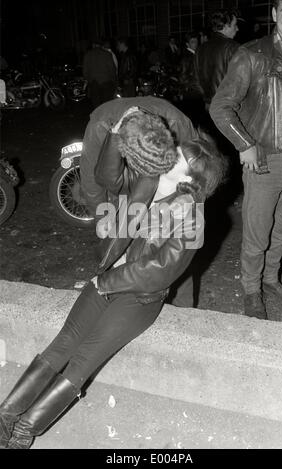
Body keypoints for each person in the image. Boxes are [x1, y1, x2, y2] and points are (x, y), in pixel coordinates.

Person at [0, 112, 225, 450]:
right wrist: (117, 135)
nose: (166, 160)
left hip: (139, 298)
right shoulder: (149, 183)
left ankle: (25, 432)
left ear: (190, 179)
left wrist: (108, 281)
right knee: (61, 344)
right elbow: (106, 173)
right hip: (106, 281)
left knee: (83, 360)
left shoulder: (192, 216)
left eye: (176, 161)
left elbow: (161, 269)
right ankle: (5, 417)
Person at [210, 0, 282, 319]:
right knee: (257, 231)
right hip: (265, 158)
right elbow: (220, 106)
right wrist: (245, 143)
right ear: (275, 15)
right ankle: (251, 289)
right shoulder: (252, 54)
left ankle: (271, 279)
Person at [79, 96, 199, 307]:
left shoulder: (177, 123)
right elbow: (90, 178)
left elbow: (199, 170)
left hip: (170, 193)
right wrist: (102, 215)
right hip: (123, 193)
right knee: (123, 251)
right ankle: (125, 305)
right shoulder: (100, 124)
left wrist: (183, 208)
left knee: (174, 257)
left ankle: (183, 311)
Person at [194, 9, 240, 109]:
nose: (237, 29)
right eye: (235, 25)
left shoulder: (200, 48)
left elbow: (196, 81)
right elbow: (239, 81)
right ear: (226, 26)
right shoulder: (233, 47)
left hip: (208, 106)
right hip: (227, 107)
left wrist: (207, 99)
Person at [83, 40, 118, 109]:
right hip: (106, 82)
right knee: (107, 104)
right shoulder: (107, 54)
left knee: (96, 105)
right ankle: (106, 118)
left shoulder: (88, 54)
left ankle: (98, 118)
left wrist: (88, 80)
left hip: (94, 83)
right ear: (101, 45)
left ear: (93, 45)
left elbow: (85, 70)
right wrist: (114, 81)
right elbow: (112, 69)